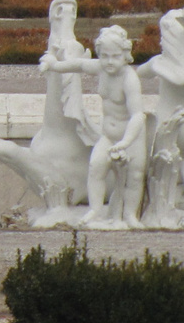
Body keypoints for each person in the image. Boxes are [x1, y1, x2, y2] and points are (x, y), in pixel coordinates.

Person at [40, 24, 147, 227]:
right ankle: (95, 210)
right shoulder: (101, 68)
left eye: (115, 56)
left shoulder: (129, 79)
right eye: (104, 55)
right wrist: (54, 65)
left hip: (132, 137)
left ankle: (130, 215)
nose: (108, 61)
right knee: (96, 168)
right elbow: (79, 65)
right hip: (108, 136)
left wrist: (125, 142)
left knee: (134, 176)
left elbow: (138, 116)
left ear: (125, 56)